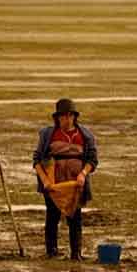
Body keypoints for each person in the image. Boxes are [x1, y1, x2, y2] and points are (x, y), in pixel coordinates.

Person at [32, 98, 98, 260]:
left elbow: (92, 160)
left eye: (70, 116)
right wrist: (45, 180)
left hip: (76, 183)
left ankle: (76, 253)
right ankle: (51, 252)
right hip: (54, 182)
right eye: (62, 116)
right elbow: (37, 160)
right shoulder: (48, 134)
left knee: (75, 218)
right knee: (52, 216)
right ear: (57, 117)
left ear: (75, 117)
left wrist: (83, 174)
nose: (66, 120)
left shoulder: (85, 135)